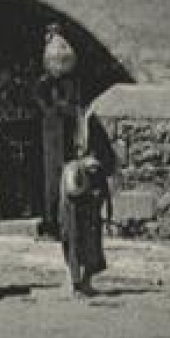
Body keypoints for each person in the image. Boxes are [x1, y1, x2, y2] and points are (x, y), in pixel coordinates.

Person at [57, 110, 118, 297]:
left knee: (91, 238)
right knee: (72, 234)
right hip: (73, 186)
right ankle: (74, 282)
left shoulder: (93, 124)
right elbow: (66, 157)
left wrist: (95, 164)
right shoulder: (66, 121)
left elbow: (108, 159)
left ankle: (85, 281)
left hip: (91, 189)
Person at [33, 67, 82, 238]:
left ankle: (60, 222)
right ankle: (52, 221)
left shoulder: (68, 87)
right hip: (52, 138)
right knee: (52, 183)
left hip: (62, 140)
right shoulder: (45, 87)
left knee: (62, 181)